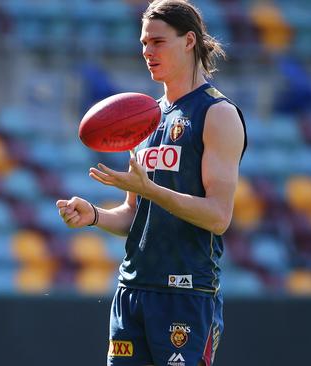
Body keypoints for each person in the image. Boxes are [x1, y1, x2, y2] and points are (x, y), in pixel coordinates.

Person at [56, 1, 246, 365]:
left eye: (157, 42)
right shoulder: (144, 118)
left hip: (186, 294)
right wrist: (93, 214)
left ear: (189, 40)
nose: (147, 51)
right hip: (133, 290)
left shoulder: (217, 114)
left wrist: (151, 191)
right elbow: (134, 215)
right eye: (143, 43)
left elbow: (219, 217)